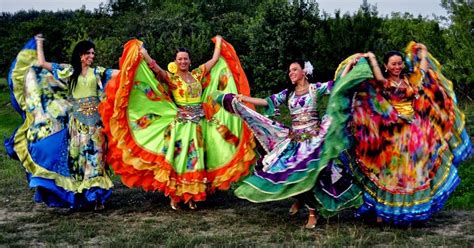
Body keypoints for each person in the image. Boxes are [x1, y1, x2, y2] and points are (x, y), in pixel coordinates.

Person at [99, 36, 256, 210]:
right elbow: (156, 69)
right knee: (180, 160)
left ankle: (191, 196)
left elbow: (214, 59)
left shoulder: (197, 73)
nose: (183, 61)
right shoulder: (172, 78)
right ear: (175, 61)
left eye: (185, 58)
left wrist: (218, 43)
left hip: (199, 123)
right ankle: (175, 196)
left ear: (190, 61)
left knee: (196, 160)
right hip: (181, 124)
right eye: (180, 59)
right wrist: (143, 53)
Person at [334, 42, 472, 225]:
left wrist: (423, 53)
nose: (398, 67)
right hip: (391, 132)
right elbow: (376, 77)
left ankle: (409, 212)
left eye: (400, 63)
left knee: (413, 174)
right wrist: (371, 58)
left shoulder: (410, 79)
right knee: (389, 175)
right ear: (386, 66)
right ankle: (382, 211)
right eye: (393, 64)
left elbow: (423, 74)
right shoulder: (384, 82)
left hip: (413, 132)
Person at [215, 60, 362, 229]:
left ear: (304, 72)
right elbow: (266, 102)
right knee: (289, 174)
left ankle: (312, 212)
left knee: (313, 176)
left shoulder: (315, 89)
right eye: (289, 71)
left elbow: (337, 86)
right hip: (295, 142)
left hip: (314, 141)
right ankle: (303, 203)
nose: (291, 73)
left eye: (294, 70)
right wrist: (242, 98)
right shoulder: (288, 94)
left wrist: (350, 66)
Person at [5, 35, 117, 210]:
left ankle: (97, 198)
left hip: (95, 124)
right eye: (89, 53)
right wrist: (40, 43)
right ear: (80, 55)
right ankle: (84, 197)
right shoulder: (68, 71)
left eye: (93, 53)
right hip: (77, 126)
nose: (92, 56)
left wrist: (133, 62)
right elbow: (42, 64)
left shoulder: (98, 73)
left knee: (96, 159)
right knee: (80, 161)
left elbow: (119, 74)